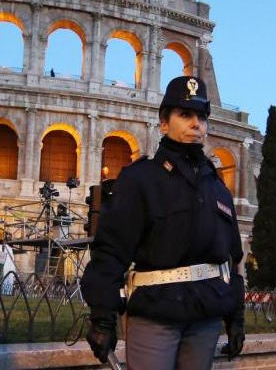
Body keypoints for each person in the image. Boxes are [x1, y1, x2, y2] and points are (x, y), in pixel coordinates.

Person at [80, 76, 245, 369]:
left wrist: (236, 317)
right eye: (186, 115)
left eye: (202, 117)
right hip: (157, 314)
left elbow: (231, 259)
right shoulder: (140, 179)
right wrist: (103, 316)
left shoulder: (218, 188)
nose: (197, 124)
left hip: (205, 318)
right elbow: (111, 250)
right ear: (164, 123)